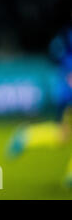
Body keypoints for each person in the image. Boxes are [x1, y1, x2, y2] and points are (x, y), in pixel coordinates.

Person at [7, 26, 72, 189]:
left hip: (65, 91)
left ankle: (27, 136)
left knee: (61, 136)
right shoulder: (65, 35)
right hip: (67, 93)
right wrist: (67, 72)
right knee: (62, 134)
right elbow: (55, 55)